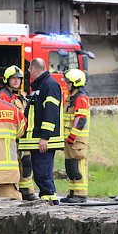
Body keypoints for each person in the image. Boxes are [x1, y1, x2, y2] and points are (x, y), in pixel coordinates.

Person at [18, 58, 64, 203]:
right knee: (40, 173)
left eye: (30, 69)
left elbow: (50, 113)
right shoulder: (41, 86)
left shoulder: (49, 85)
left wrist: (45, 137)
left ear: (34, 68)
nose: (29, 72)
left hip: (43, 140)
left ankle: (50, 202)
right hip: (37, 139)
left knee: (43, 174)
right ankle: (47, 201)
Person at [0, 65, 38, 201]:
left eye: (19, 79)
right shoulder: (2, 96)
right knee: (14, 165)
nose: (16, 81)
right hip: (11, 137)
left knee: (26, 164)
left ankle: (27, 191)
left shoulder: (22, 96)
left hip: (24, 136)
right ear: (7, 79)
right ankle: (15, 191)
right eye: (13, 79)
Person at [61, 68, 91, 203]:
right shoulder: (71, 98)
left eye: (68, 82)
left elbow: (80, 119)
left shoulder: (81, 98)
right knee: (70, 166)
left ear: (75, 83)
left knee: (78, 166)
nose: (66, 84)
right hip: (69, 140)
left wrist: (73, 136)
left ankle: (81, 194)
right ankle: (72, 193)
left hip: (77, 140)